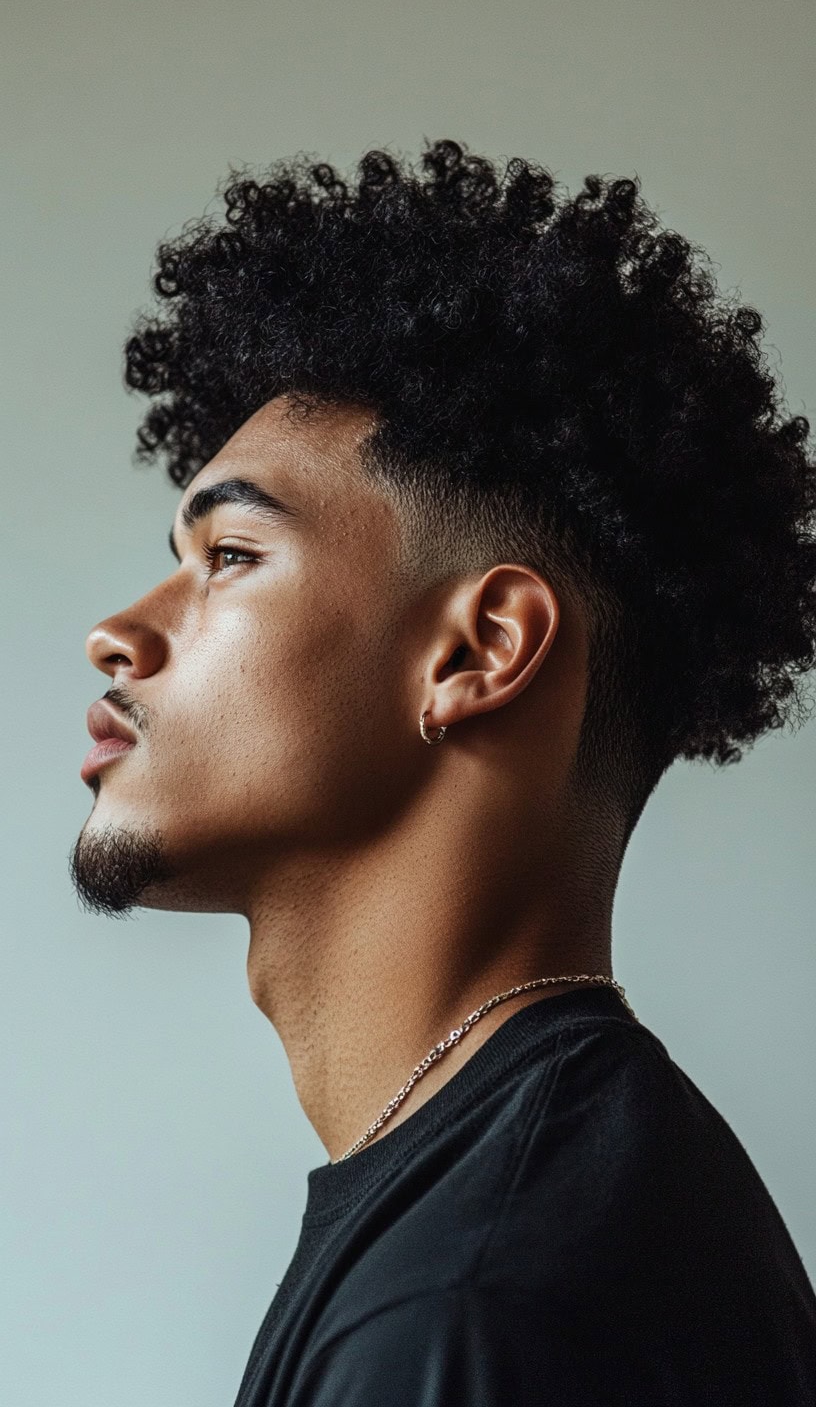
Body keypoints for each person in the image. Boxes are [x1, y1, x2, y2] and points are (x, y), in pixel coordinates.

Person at [71, 139, 816, 1404]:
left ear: (479, 648)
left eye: (232, 554)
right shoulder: (532, 1194)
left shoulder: (472, 1309)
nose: (120, 632)